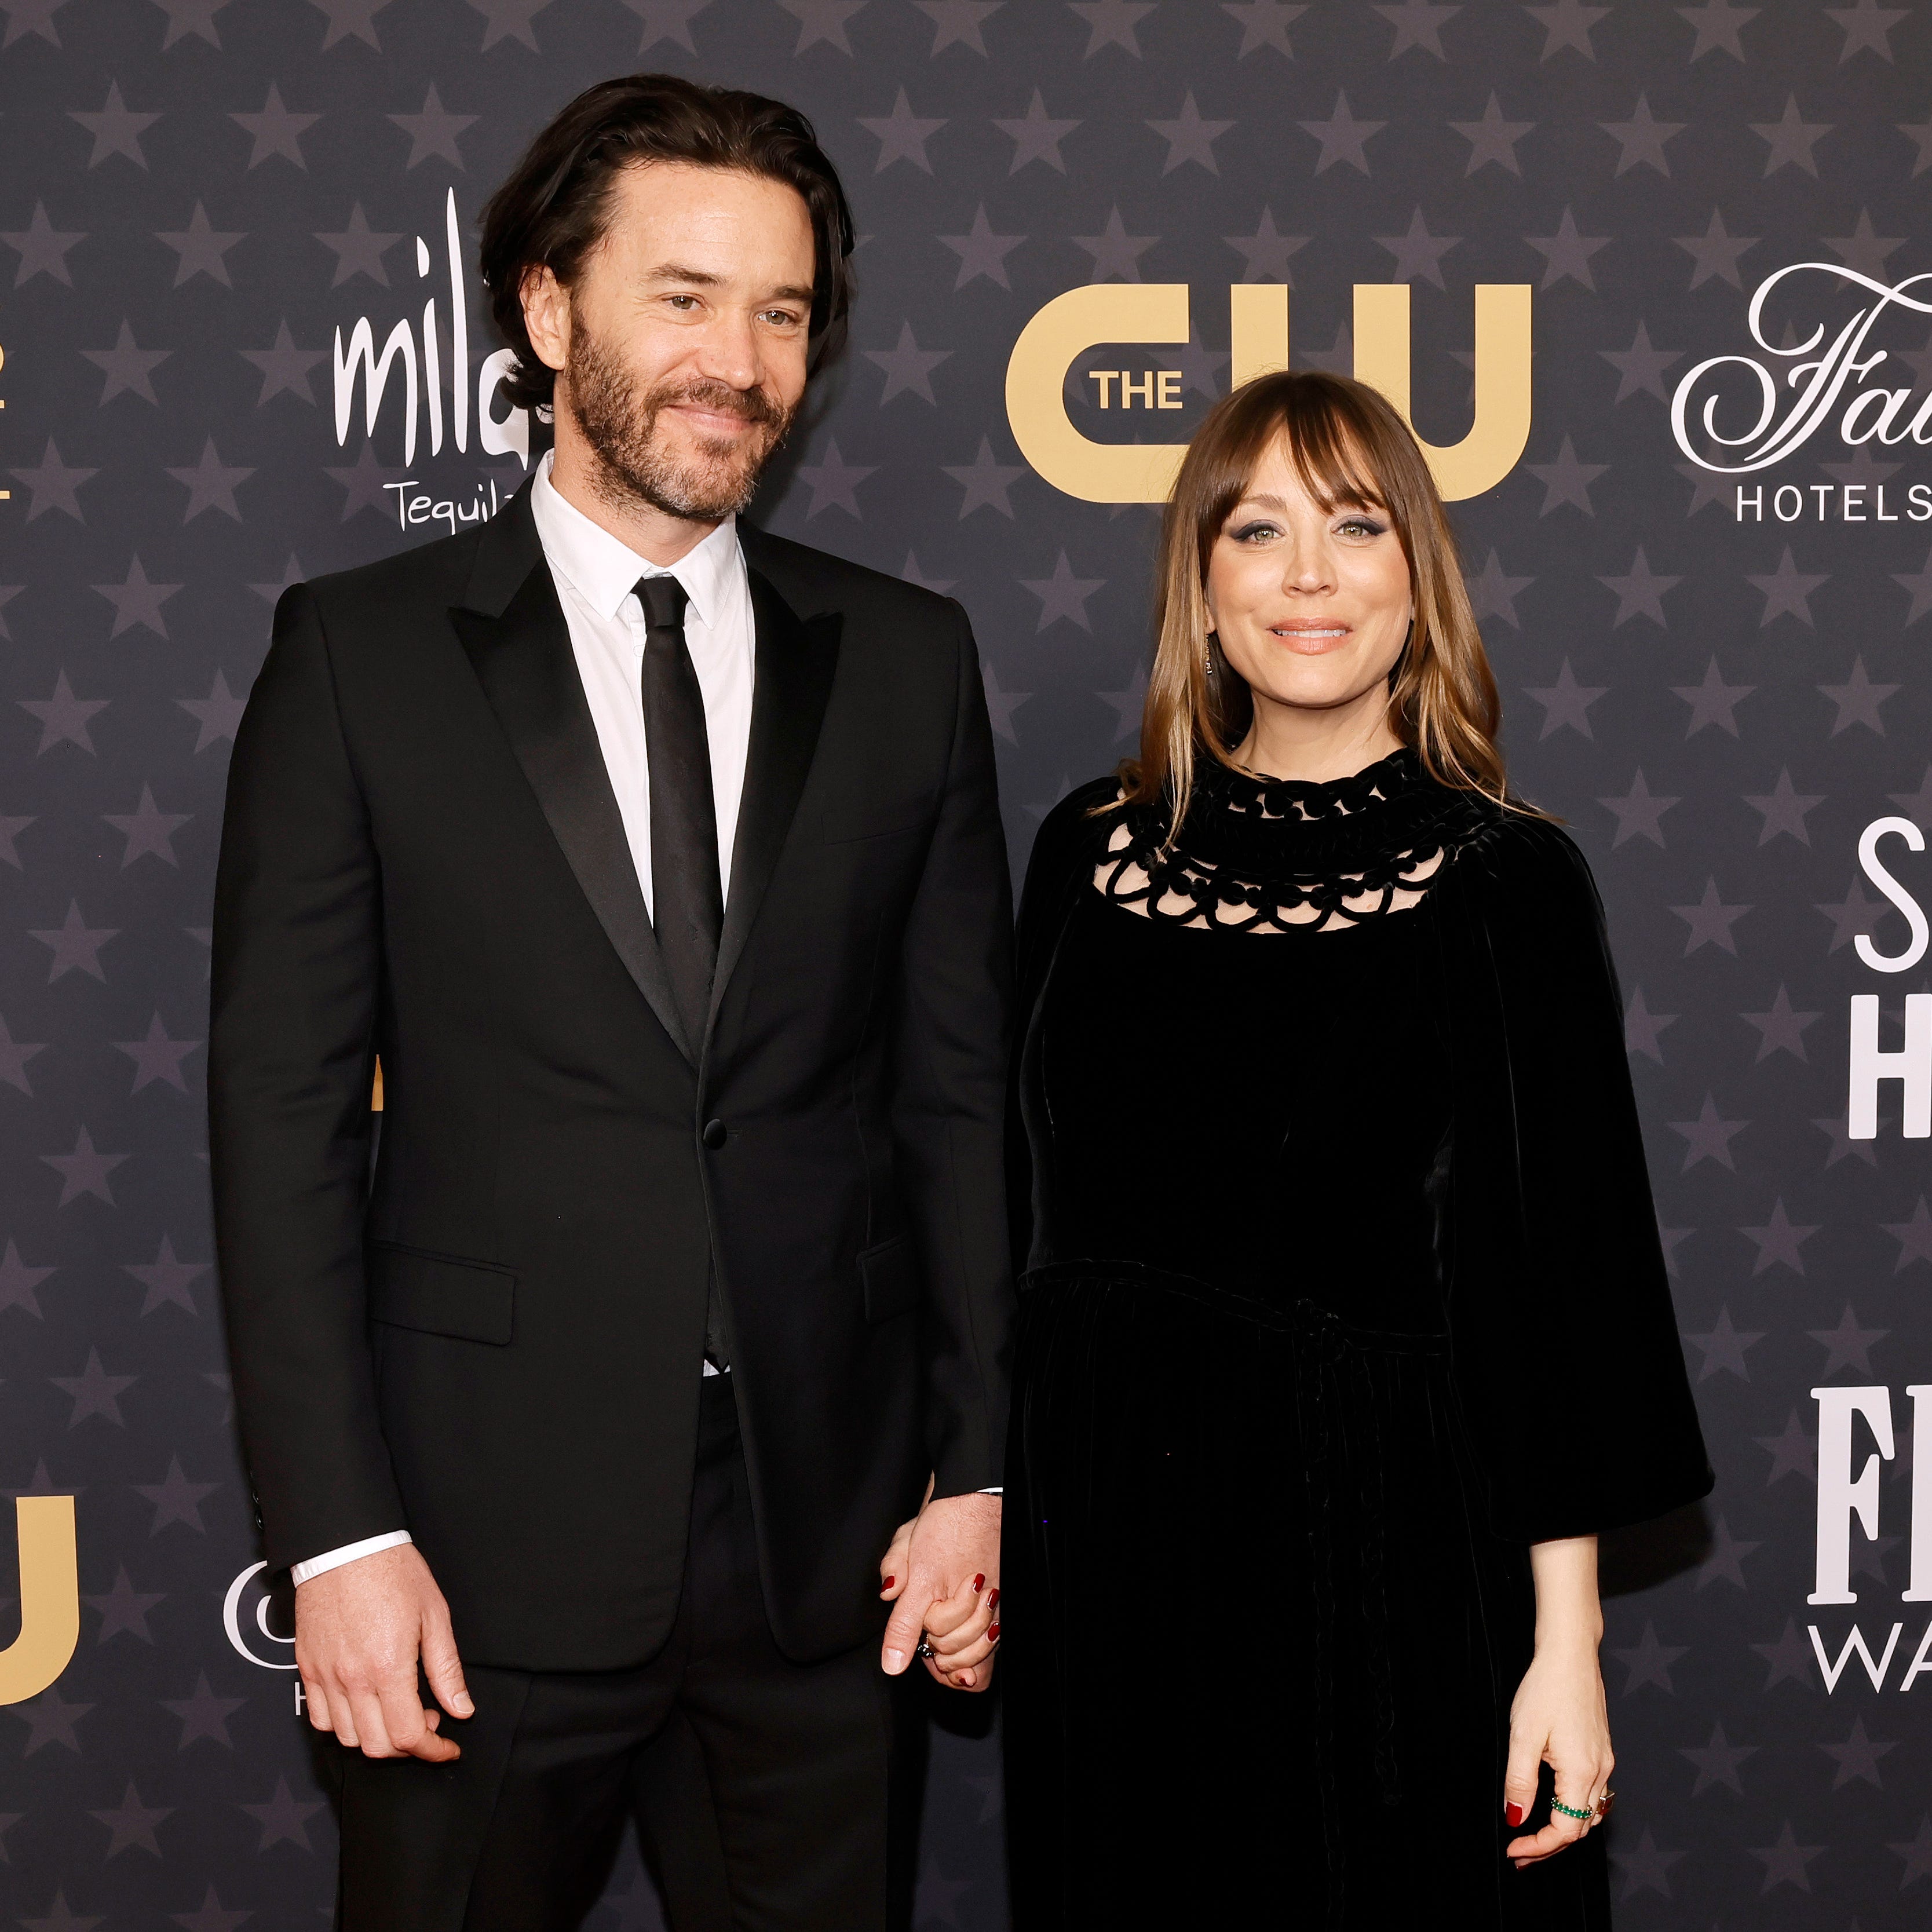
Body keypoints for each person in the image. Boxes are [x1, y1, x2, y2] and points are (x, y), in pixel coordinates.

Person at [209, 74, 1009, 1932]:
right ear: (550, 313)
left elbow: (956, 1104)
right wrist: (340, 1537)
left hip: (830, 1562)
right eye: (684, 295)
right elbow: (282, 1123)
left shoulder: (905, 660)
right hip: (474, 1561)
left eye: (783, 311)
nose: (738, 359)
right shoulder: (359, 656)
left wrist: (976, 1474)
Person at [996, 370, 1714, 1930]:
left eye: (1353, 525)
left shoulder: (1506, 884)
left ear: (1418, 576)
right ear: (1202, 586)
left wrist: (1565, 1652)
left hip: (1385, 1585)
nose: (1306, 573)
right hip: (1112, 1574)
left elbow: (1562, 1291)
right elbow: (1005, 1220)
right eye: (1255, 530)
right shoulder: (1080, 854)